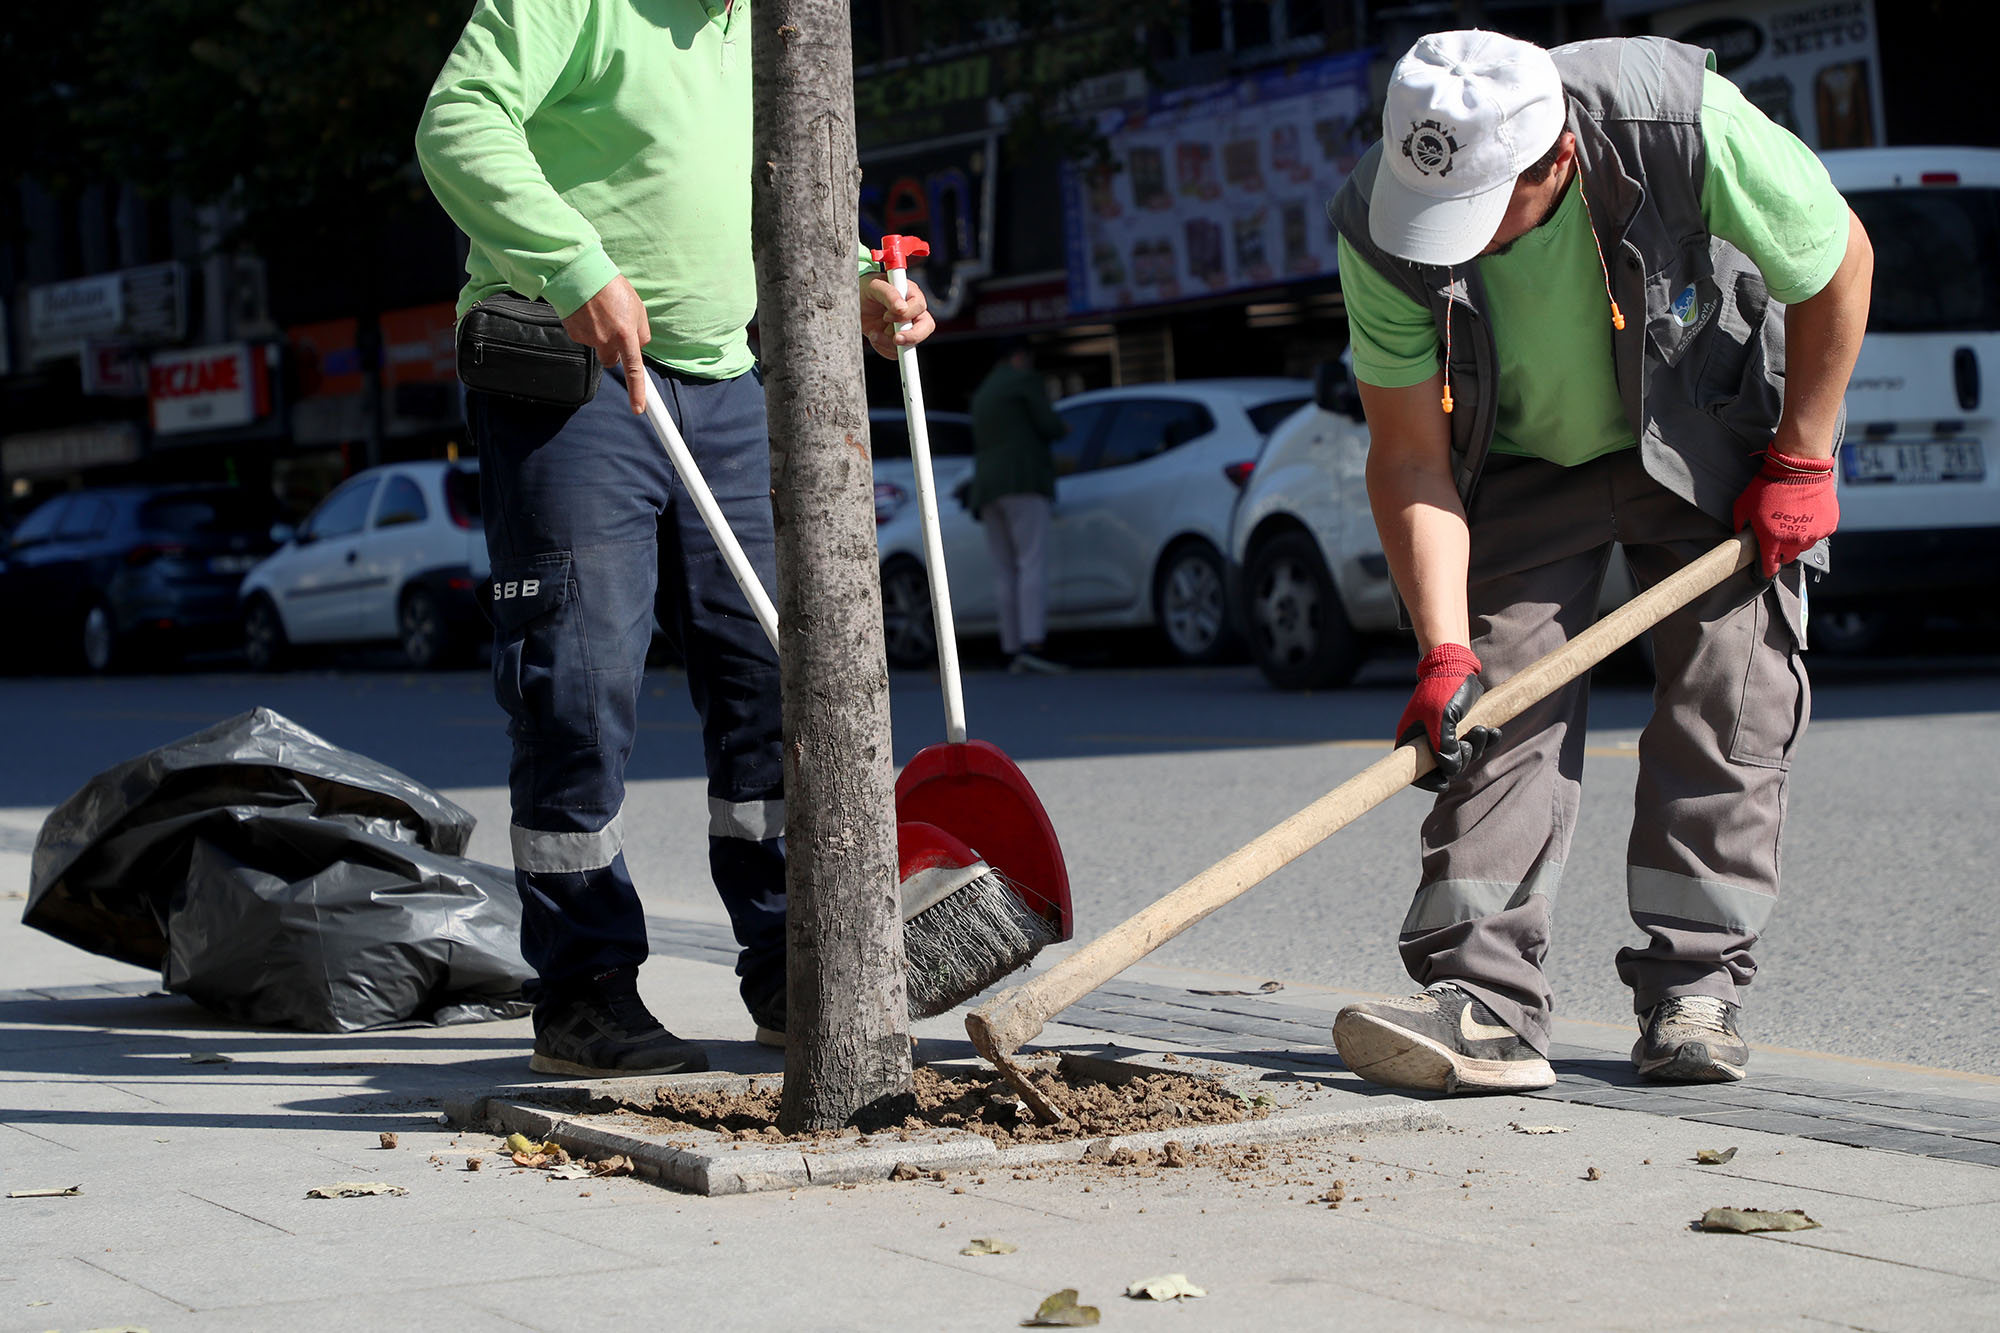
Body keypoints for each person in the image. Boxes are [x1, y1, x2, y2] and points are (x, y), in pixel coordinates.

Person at [1323, 30, 1871, 1093]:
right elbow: (1405, 456)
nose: (1452, 247)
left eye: (1480, 216)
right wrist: (1441, 649)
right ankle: (1479, 1003)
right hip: (1523, 457)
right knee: (1489, 708)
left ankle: (1693, 989)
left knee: (1729, 691)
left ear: (1557, 162)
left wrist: (1801, 457)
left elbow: (1836, 260)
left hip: (1707, 423)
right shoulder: (1380, 226)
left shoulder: (1676, 124)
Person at [415, 0, 933, 1079]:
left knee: (767, 674)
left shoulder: (773, 25)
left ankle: (790, 962)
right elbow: (457, 123)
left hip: (725, 383)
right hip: (573, 381)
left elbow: (768, 186)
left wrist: (856, 288)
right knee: (577, 680)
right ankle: (585, 988)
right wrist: (573, 268)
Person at [969, 340, 1069, 674]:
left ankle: (1011, 646)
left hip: (987, 485)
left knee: (1004, 570)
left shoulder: (983, 391)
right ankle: (1032, 643)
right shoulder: (1024, 381)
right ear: (1020, 357)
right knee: (1031, 562)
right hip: (1024, 480)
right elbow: (1049, 425)